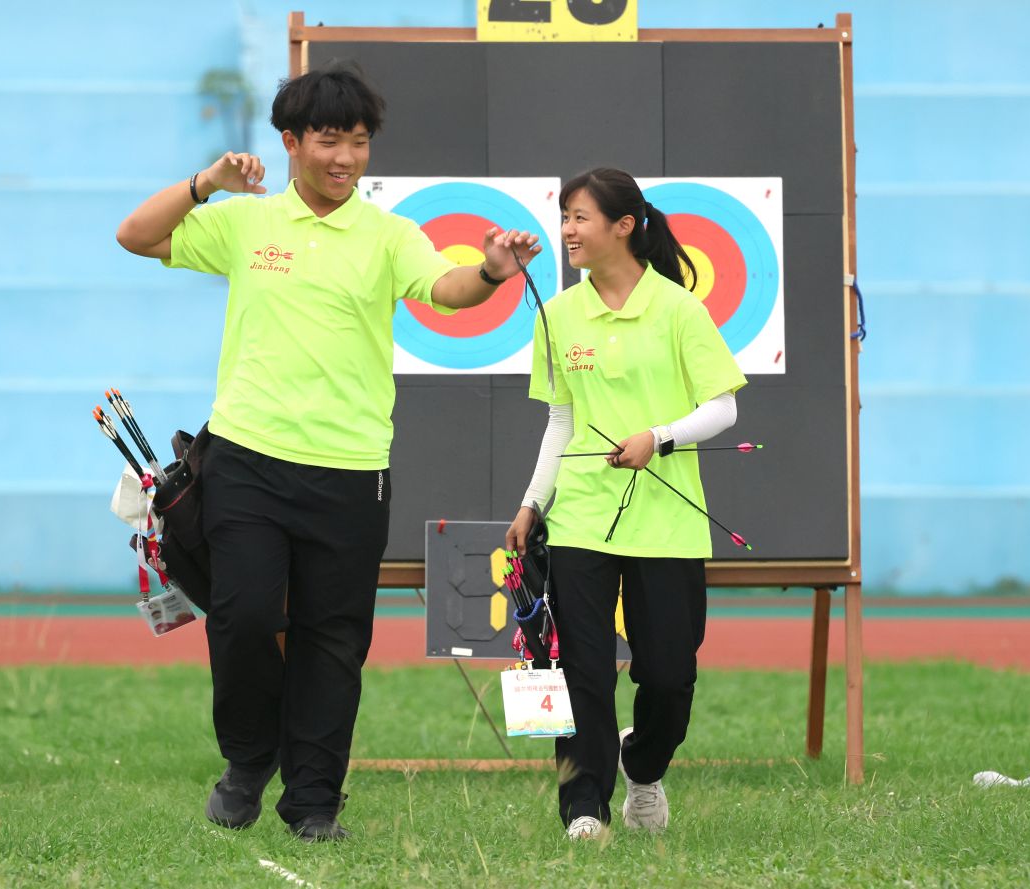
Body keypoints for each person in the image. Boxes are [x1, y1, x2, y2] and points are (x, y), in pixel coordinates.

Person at [116, 62, 539, 842]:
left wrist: (489, 271)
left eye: (359, 142)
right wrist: (206, 181)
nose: (345, 158)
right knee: (242, 618)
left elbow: (446, 290)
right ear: (291, 142)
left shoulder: (387, 234)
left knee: (333, 639)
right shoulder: (247, 222)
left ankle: (314, 801)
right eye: (328, 140)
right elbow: (136, 235)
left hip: (351, 472)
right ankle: (248, 762)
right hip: (244, 459)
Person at [505, 168, 746, 840]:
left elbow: (723, 406)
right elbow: (561, 420)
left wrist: (659, 438)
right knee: (581, 667)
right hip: (581, 515)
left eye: (580, 217)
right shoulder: (556, 314)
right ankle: (584, 805)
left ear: (624, 226)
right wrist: (532, 503)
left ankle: (644, 764)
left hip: (667, 522)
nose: (568, 230)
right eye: (564, 216)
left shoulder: (679, 309)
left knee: (669, 676)